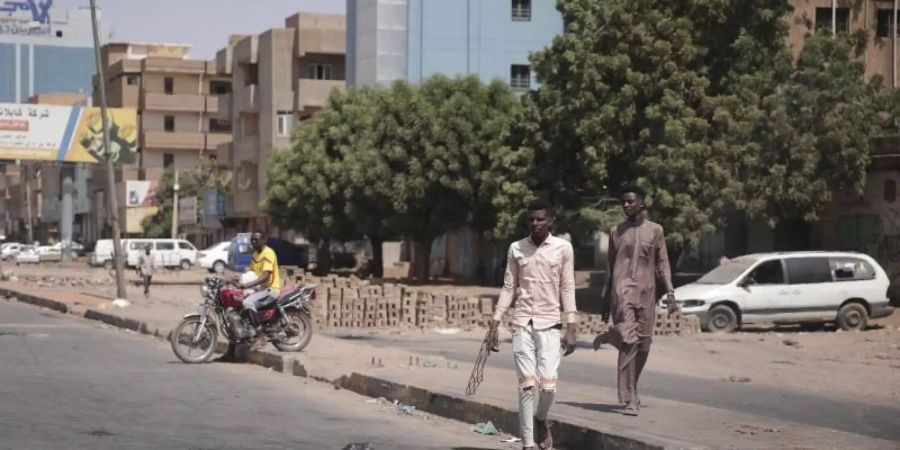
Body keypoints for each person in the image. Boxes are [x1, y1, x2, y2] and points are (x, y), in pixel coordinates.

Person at [488, 200, 577, 450]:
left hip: (550, 323)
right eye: (531, 219)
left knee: (548, 386)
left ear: (550, 221)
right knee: (526, 384)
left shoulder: (563, 248)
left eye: (540, 219)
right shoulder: (516, 248)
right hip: (522, 322)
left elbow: (568, 287)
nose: (535, 223)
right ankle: (527, 444)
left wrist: (571, 326)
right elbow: (509, 287)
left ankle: (540, 419)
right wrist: (495, 323)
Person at [597, 185, 677, 416]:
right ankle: (629, 397)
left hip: (647, 292)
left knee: (644, 343)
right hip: (621, 292)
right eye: (623, 201)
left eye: (630, 201)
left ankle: (632, 385)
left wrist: (670, 291)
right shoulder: (616, 231)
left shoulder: (656, 231)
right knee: (630, 340)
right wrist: (605, 301)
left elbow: (663, 262)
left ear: (642, 203)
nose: (626, 205)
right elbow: (610, 269)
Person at [239, 231, 281, 345]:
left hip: (271, 289)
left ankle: (260, 336)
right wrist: (236, 279)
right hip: (260, 289)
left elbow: (265, 276)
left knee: (247, 303)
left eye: (256, 240)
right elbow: (251, 273)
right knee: (237, 303)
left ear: (264, 240)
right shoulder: (255, 255)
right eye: (251, 240)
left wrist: (247, 285)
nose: (253, 242)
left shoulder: (268, 253)